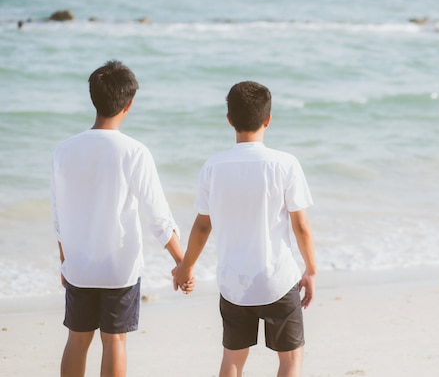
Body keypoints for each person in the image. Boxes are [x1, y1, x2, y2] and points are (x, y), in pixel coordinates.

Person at [50, 60, 193, 377]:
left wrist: (64, 262)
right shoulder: (134, 151)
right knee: (115, 340)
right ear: (129, 105)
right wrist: (183, 264)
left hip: (79, 266)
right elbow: (158, 216)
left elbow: (58, 216)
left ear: (93, 98)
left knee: (77, 338)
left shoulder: (64, 150)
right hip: (120, 269)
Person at [174, 81, 316, 377]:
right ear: (268, 119)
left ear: (229, 120)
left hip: (234, 283)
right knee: (291, 358)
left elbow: (202, 227)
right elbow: (300, 226)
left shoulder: (213, 167)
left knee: (233, 358)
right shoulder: (285, 164)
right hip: (278, 279)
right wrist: (311, 269)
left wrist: (186, 267)